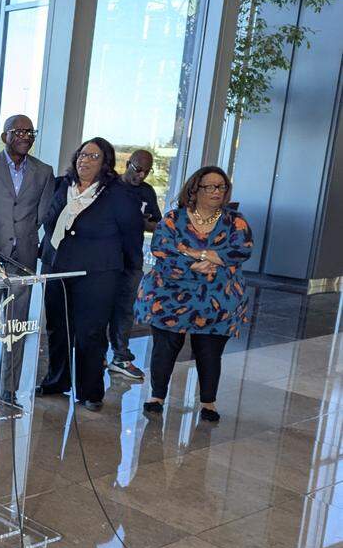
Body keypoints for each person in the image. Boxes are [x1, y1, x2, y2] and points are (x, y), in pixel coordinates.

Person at [135, 166, 252, 422]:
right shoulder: (173, 218)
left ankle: (208, 402)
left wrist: (197, 253)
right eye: (210, 186)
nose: (216, 191)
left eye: (221, 186)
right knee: (165, 348)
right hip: (169, 296)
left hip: (218, 298)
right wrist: (198, 260)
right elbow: (162, 248)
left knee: (209, 351)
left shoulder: (236, 221)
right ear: (194, 190)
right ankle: (157, 397)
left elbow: (241, 250)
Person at [38, 137, 143, 411]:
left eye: (93, 156)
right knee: (58, 327)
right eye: (82, 155)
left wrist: (129, 271)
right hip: (56, 267)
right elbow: (48, 220)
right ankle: (57, 380)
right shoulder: (63, 185)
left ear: (106, 162)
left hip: (97, 273)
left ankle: (90, 391)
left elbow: (132, 237)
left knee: (90, 332)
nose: (85, 160)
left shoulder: (118, 194)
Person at [0, 115, 55, 404]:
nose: (25, 136)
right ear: (4, 136)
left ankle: (8, 389)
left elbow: (43, 212)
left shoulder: (44, 171)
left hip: (24, 259)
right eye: (18, 131)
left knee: (16, 328)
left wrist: (24, 236)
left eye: (30, 132)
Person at [106, 149, 162, 380]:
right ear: (128, 163)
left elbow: (156, 224)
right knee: (99, 308)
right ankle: (94, 355)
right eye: (138, 169)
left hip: (132, 260)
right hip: (105, 259)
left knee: (125, 310)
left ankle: (121, 356)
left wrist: (140, 222)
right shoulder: (110, 187)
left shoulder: (147, 192)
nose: (141, 175)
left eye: (147, 172)